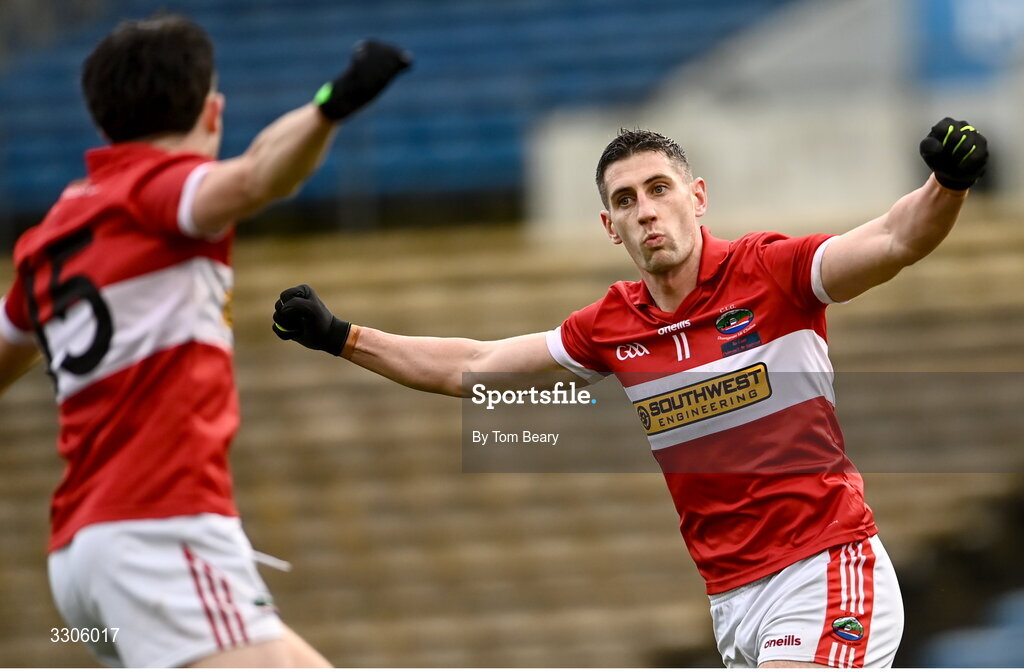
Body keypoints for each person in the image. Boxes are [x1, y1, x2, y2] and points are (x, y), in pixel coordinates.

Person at [270, 118, 988, 668]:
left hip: (822, 570)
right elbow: (476, 363)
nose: (645, 210)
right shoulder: (612, 325)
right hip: (732, 600)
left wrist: (946, 185)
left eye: (659, 189)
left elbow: (896, 238)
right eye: (624, 200)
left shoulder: (774, 272)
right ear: (610, 228)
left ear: (697, 198)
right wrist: (342, 337)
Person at [0, 14, 410, 667]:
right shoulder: (160, 191)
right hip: (158, 530)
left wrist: (318, 106)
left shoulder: (52, 234)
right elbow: (256, 178)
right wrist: (337, 104)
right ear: (212, 111)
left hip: (81, 551)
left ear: (104, 120)